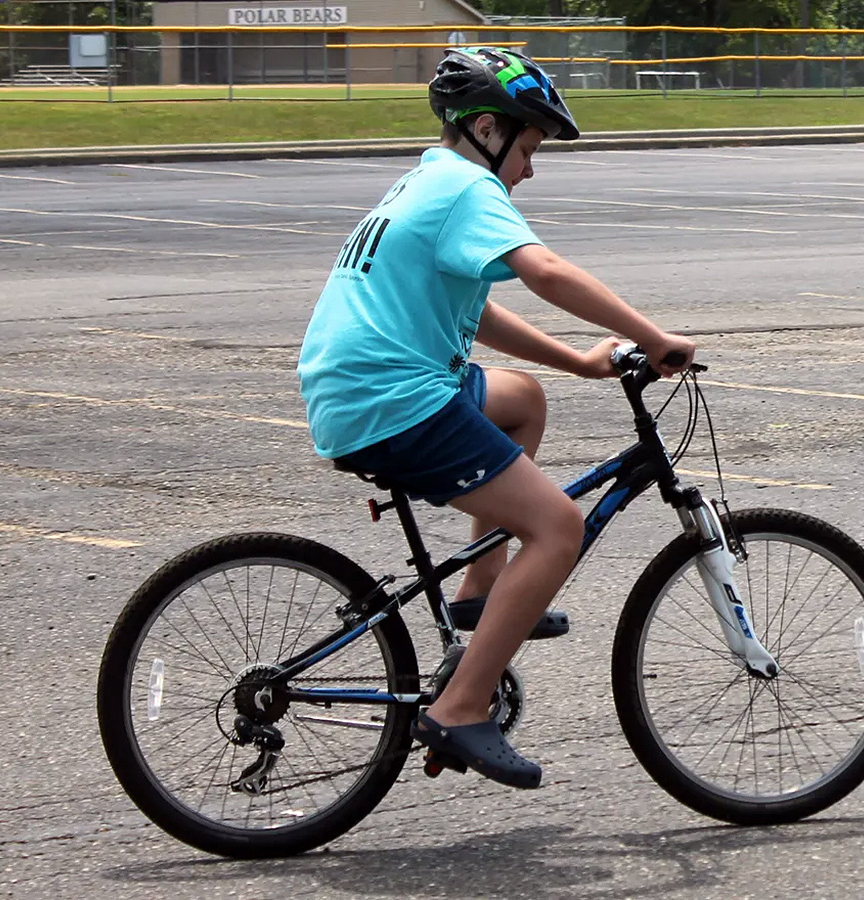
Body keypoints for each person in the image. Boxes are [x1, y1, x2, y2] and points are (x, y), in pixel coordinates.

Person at [296, 47, 695, 789]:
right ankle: (460, 707)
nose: (530, 169)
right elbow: (546, 272)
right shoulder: (468, 190)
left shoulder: (430, 179)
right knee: (558, 528)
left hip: (365, 388)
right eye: (529, 147)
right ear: (487, 129)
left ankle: (482, 591)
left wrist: (577, 363)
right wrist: (652, 335)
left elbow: (474, 309)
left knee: (521, 401)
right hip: (394, 400)